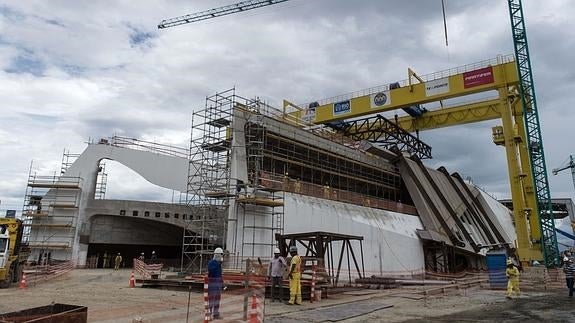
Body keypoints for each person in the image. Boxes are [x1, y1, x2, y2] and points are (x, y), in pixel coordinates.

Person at [208, 247, 225, 320]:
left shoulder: (219, 264)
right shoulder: (212, 263)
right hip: (212, 284)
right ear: (218, 255)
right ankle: (209, 315)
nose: (222, 256)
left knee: (217, 300)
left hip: (218, 285)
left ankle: (216, 314)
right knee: (211, 300)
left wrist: (222, 284)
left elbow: (220, 275)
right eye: (221, 255)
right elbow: (211, 272)